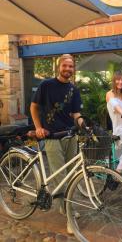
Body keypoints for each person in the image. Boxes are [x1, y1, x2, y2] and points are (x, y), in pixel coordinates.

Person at [30, 54, 83, 234]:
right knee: (61, 178)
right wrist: (38, 127)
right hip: (51, 137)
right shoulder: (46, 85)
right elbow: (33, 106)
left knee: (70, 175)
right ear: (59, 66)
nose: (68, 69)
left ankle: (63, 207)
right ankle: (69, 216)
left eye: (71, 66)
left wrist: (84, 124)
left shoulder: (73, 90)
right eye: (65, 66)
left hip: (69, 136)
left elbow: (76, 114)